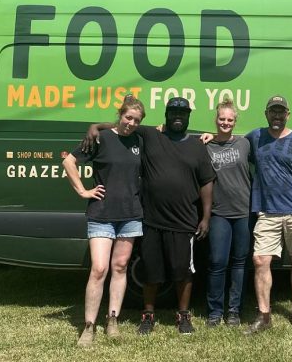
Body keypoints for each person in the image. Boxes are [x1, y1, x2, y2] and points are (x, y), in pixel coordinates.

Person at [83, 96, 215, 335]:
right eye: (173, 112)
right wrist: (95, 127)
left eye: (182, 113)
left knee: (182, 271)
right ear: (166, 114)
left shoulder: (197, 145)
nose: (178, 116)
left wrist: (205, 217)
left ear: (188, 117)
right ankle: (148, 315)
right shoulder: (152, 135)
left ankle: (183, 316)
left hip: (184, 220)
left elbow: (207, 182)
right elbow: (121, 126)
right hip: (151, 219)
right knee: (151, 270)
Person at [63, 95, 146, 347]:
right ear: (120, 115)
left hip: (130, 214)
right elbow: (69, 161)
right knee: (99, 269)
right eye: (127, 117)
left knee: (120, 267)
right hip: (101, 214)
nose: (130, 123)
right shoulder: (102, 137)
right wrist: (82, 191)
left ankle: (112, 320)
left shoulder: (140, 141)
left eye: (136, 120)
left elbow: (163, 131)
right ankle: (89, 326)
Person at [244, 95, 292, 334]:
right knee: (260, 260)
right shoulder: (255, 137)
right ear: (266, 114)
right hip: (267, 211)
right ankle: (264, 314)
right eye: (272, 111)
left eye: (281, 112)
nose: (276, 116)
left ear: (288, 114)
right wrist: (210, 137)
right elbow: (232, 146)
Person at [204, 99, 252, 327]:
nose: (225, 122)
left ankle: (234, 310)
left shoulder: (245, 144)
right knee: (217, 262)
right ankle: (214, 312)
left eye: (230, 119)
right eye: (222, 119)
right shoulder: (206, 145)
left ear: (235, 121)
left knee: (240, 263)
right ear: (216, 119)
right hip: (218, 213)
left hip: (242, 211)